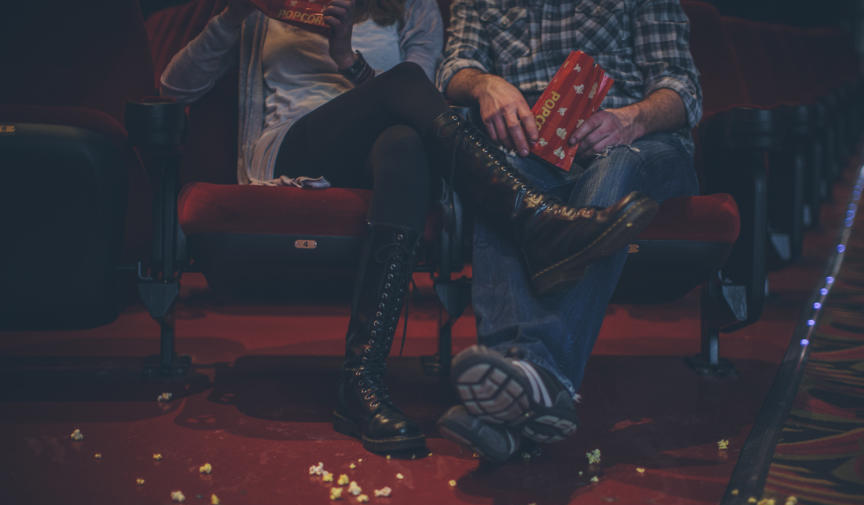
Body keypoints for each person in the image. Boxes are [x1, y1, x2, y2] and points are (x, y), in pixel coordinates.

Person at [160, 0, 658, 455]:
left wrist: (346, 58)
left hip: (378, 148)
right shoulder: (264, 10)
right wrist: (233, 16)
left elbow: (422, 100)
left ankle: (362, 382)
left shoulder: (412, 7)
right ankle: (531, 216)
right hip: (293, 145)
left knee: (402, 140)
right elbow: (174, 87)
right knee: (399, 86)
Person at [434, 0, 704, 462]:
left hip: (638, 143)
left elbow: (682, 87)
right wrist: (485, 84)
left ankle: (536, 373)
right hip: (530, 148)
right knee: (499, 186)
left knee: (613, 167)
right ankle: (520, 404)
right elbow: (454, 67)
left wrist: (632, 118)